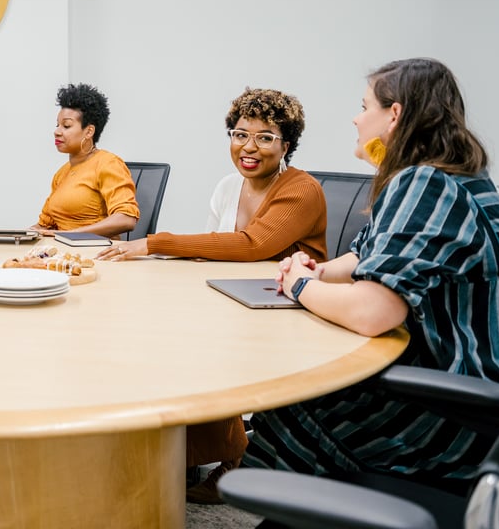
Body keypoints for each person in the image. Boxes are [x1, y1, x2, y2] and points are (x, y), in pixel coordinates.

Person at [248, 59, 499, 487]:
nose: (356, 118)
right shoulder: (447, 175)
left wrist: (298, 284)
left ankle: (280, 500)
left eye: (364, 106)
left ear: (393, 115)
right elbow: (364, 257)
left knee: (292, 395)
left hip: (473, 419)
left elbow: (373, 312)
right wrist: (316, 270)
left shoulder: (426, 182)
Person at [96, 87, 328, 504]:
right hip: (237, 298)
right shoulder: (227, 186)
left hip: (287, 310)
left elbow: (253, 244)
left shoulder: (302, 189)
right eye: (240, 134)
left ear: (286, 144)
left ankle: (233, 453)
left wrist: (155, 243)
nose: (248, 147)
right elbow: (215, 249)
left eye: (265, 137)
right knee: (160, 329)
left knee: (198, 343)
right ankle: (182, 453)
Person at [32, 83, 139, 238]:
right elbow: (44, 225)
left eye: (66, 126)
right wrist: (25, 235)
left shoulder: (108, 163)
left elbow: (126, 219)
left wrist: (69, 235)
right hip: (60, 251)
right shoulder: (62, 173)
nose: (57, 131)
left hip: (93, 253)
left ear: (89, 131)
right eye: (57, 125)